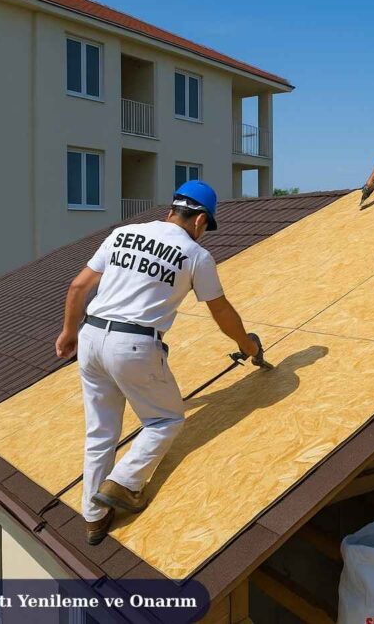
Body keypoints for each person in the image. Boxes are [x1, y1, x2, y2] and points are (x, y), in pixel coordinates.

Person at [54, 180, 264, 545]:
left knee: (101, 431)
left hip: (90, 336)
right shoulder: (195, 255)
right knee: (165, 419)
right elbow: (221, 311)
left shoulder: (123, 234)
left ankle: (93, 516)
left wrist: (69, 332)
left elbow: (77, 287)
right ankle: (124, 483)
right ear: (200, 220)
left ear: (171, 210)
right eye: (206, 228)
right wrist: (246, 345)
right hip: (134, 345)